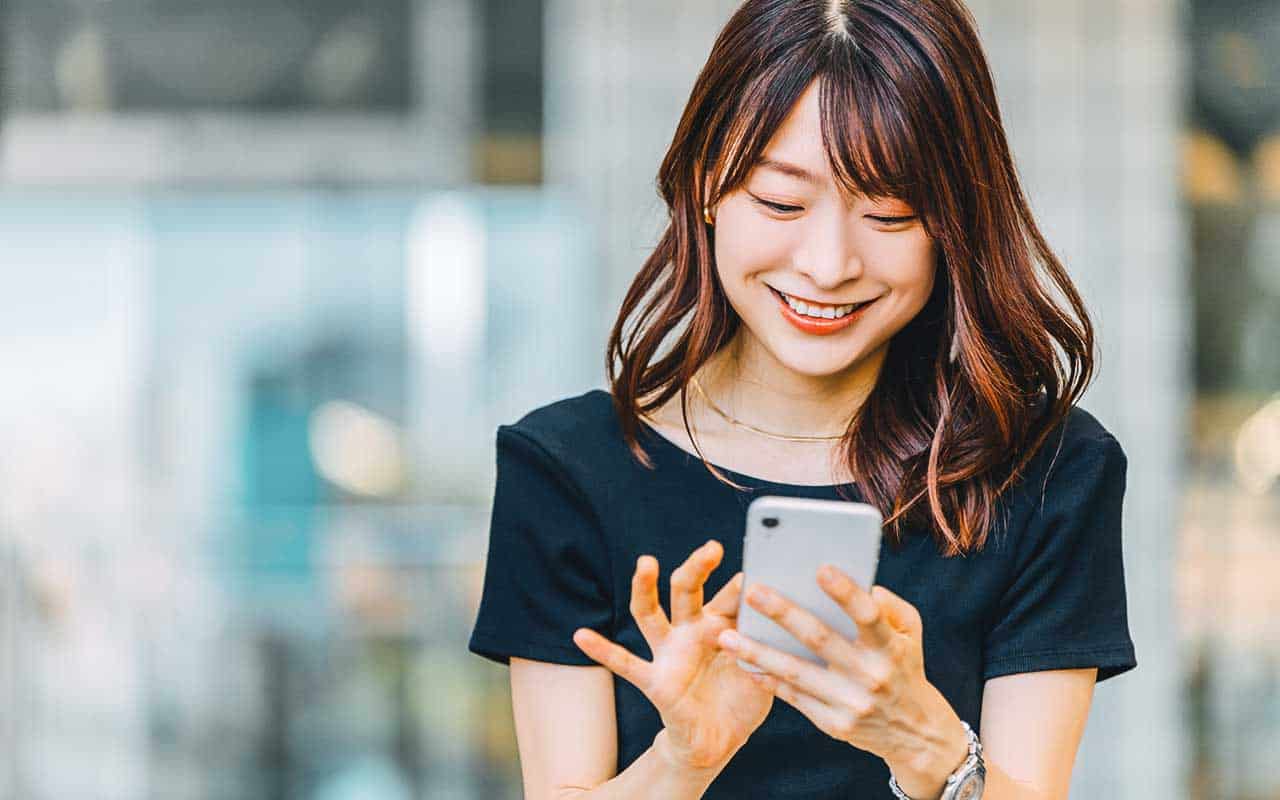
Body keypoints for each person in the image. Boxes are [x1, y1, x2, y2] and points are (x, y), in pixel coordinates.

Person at [467, 0, 1136, 797]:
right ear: (707, 186)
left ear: (954, 223)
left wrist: (926, 745)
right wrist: (684, 761)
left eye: (890, 214)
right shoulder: (565, 472)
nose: (828, 265)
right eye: (782, 203)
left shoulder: (1048, 474)